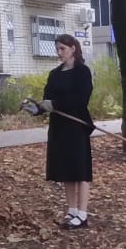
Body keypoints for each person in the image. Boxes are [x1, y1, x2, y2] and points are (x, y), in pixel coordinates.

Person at [37, 33, 93, 229]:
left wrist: (55, 104)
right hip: (59, 127)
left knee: (80, 170)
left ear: (73, 49)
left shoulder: (82, 72)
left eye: (62, 48)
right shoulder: (54, 74)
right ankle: (72, 210)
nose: (59, 52)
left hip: (77, 126)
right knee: (67, 170)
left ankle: (83, 214)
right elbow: (47, 97)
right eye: (57, 49)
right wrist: (38, 108)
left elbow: (81, 99)